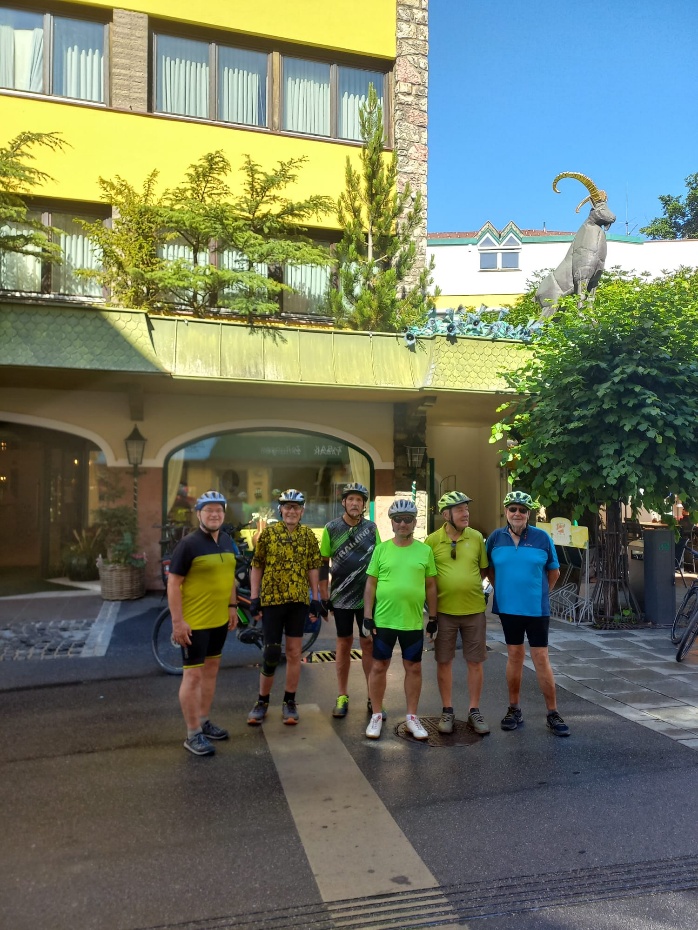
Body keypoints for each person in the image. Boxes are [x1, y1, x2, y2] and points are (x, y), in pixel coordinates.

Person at [485, 490, 569, 737]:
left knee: (541, 657)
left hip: (536, 609)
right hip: (508, 609)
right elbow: (489, 570)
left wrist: (540, 594)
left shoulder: (542, 538)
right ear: (506, 511)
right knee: (514, 655)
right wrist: (502, 590)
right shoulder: (495, 538)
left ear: (528, 514)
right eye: (513, 509)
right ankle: (514, 709)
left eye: (522, 510)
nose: (517, 513)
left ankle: (553, 713)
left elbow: (554, 572)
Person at [168, 490, 238, 756]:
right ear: (199, 514)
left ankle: (204, 720)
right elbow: (173, 584)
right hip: (194, 623)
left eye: (219, 510)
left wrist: (232, 606)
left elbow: (230, 577)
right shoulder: (188, 545)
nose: (214, 515)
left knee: (210, 672)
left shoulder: (227, 541)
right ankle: (192, 733)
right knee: (193, 676)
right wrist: (178, 622)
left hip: (219, 621)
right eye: (209, 510)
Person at [246, 489, 325, 726]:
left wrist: (316, 598)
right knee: (271, 652)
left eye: (296, 507)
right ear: (280, 510)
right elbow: (257, 566)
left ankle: (289, 701)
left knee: (293, 653)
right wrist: (254, 598)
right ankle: (262, 701)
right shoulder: (268, 535)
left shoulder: (308, 536)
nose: (291, 511)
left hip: (298, 602)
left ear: (302, 511)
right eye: (287, 507)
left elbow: (313, 567)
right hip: (272, 601)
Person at [362, 498, 438, 740]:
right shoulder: (381, 549)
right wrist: (367, 616)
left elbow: (431, 586)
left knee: (413, 667)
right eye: (398, 519)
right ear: (392, 523)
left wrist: (433, 618)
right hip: (384, 621)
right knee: (378, 666)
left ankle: (412, 718)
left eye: (407, 519)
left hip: (412, 621)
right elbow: (371, 584)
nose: (403, 523)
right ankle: (376, 715)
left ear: (414, 522)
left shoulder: (425, 551)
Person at [424, 490, 490, 736]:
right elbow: (427, 578)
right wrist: (431, 615)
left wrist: (466, 586)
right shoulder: (432, 541)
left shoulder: (476, 538)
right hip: (444, 613)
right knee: (444, 661)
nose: (466, 513)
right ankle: (447, 710)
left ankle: (474, 711)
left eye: (467, 509)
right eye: (460, 509)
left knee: (475, 661)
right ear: (446, 515)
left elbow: (483, 570)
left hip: (474, 610)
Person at [319, 483, 381, 719]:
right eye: (351, 499)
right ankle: (342, 695)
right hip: (341, 597)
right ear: (343, 502)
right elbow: (323, 563)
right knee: (344, 644)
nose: (355, 503)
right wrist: (323, 595)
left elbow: (380, 561)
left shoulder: (371, 528)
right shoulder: (332, 528)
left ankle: (372, 696)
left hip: (367, 598)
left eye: (359, 500)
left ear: (364, 504)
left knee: (368, 644)